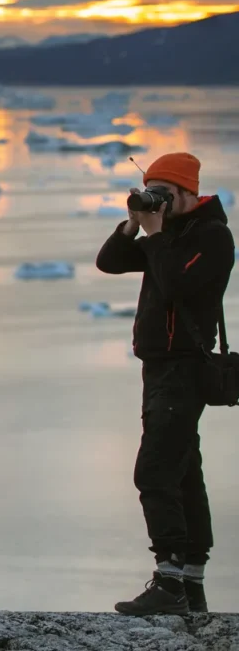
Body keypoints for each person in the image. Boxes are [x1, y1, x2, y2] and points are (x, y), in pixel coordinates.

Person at [96, 152, 234, 616]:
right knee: (183, 471)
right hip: (157, 365)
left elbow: (176, 283)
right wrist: (133, 224)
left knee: (154, 471)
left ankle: (170, 579)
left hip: (186, 366)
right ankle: (191, 581)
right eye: (149, 190)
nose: (156, 199)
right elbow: (109, 263)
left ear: (188, 192)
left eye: (164, 192)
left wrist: (156, 236)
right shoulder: (165, 234)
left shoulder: (212, 236)